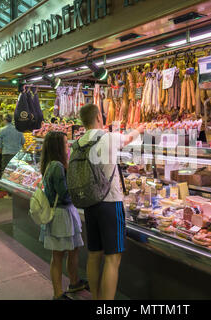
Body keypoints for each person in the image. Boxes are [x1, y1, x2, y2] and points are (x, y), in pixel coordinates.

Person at [75, 104, 144, 300]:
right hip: (109, 202)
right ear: (98, 116)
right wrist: (141, 128)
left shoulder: (78, 142)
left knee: (94, 254)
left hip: (89, 202)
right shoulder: (108, 138)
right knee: (113, 259)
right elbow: (130, 138)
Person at [39, 131, 88, 300]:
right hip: (61, 214)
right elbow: (65, 194)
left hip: (64, 213)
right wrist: (80, 187)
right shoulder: (57, 167)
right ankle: (58, 293)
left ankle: (74, 282)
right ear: (58, 147)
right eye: (66, 144)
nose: (68, 147)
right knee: (58, 255)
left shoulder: (50, 164)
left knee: (73, 250)